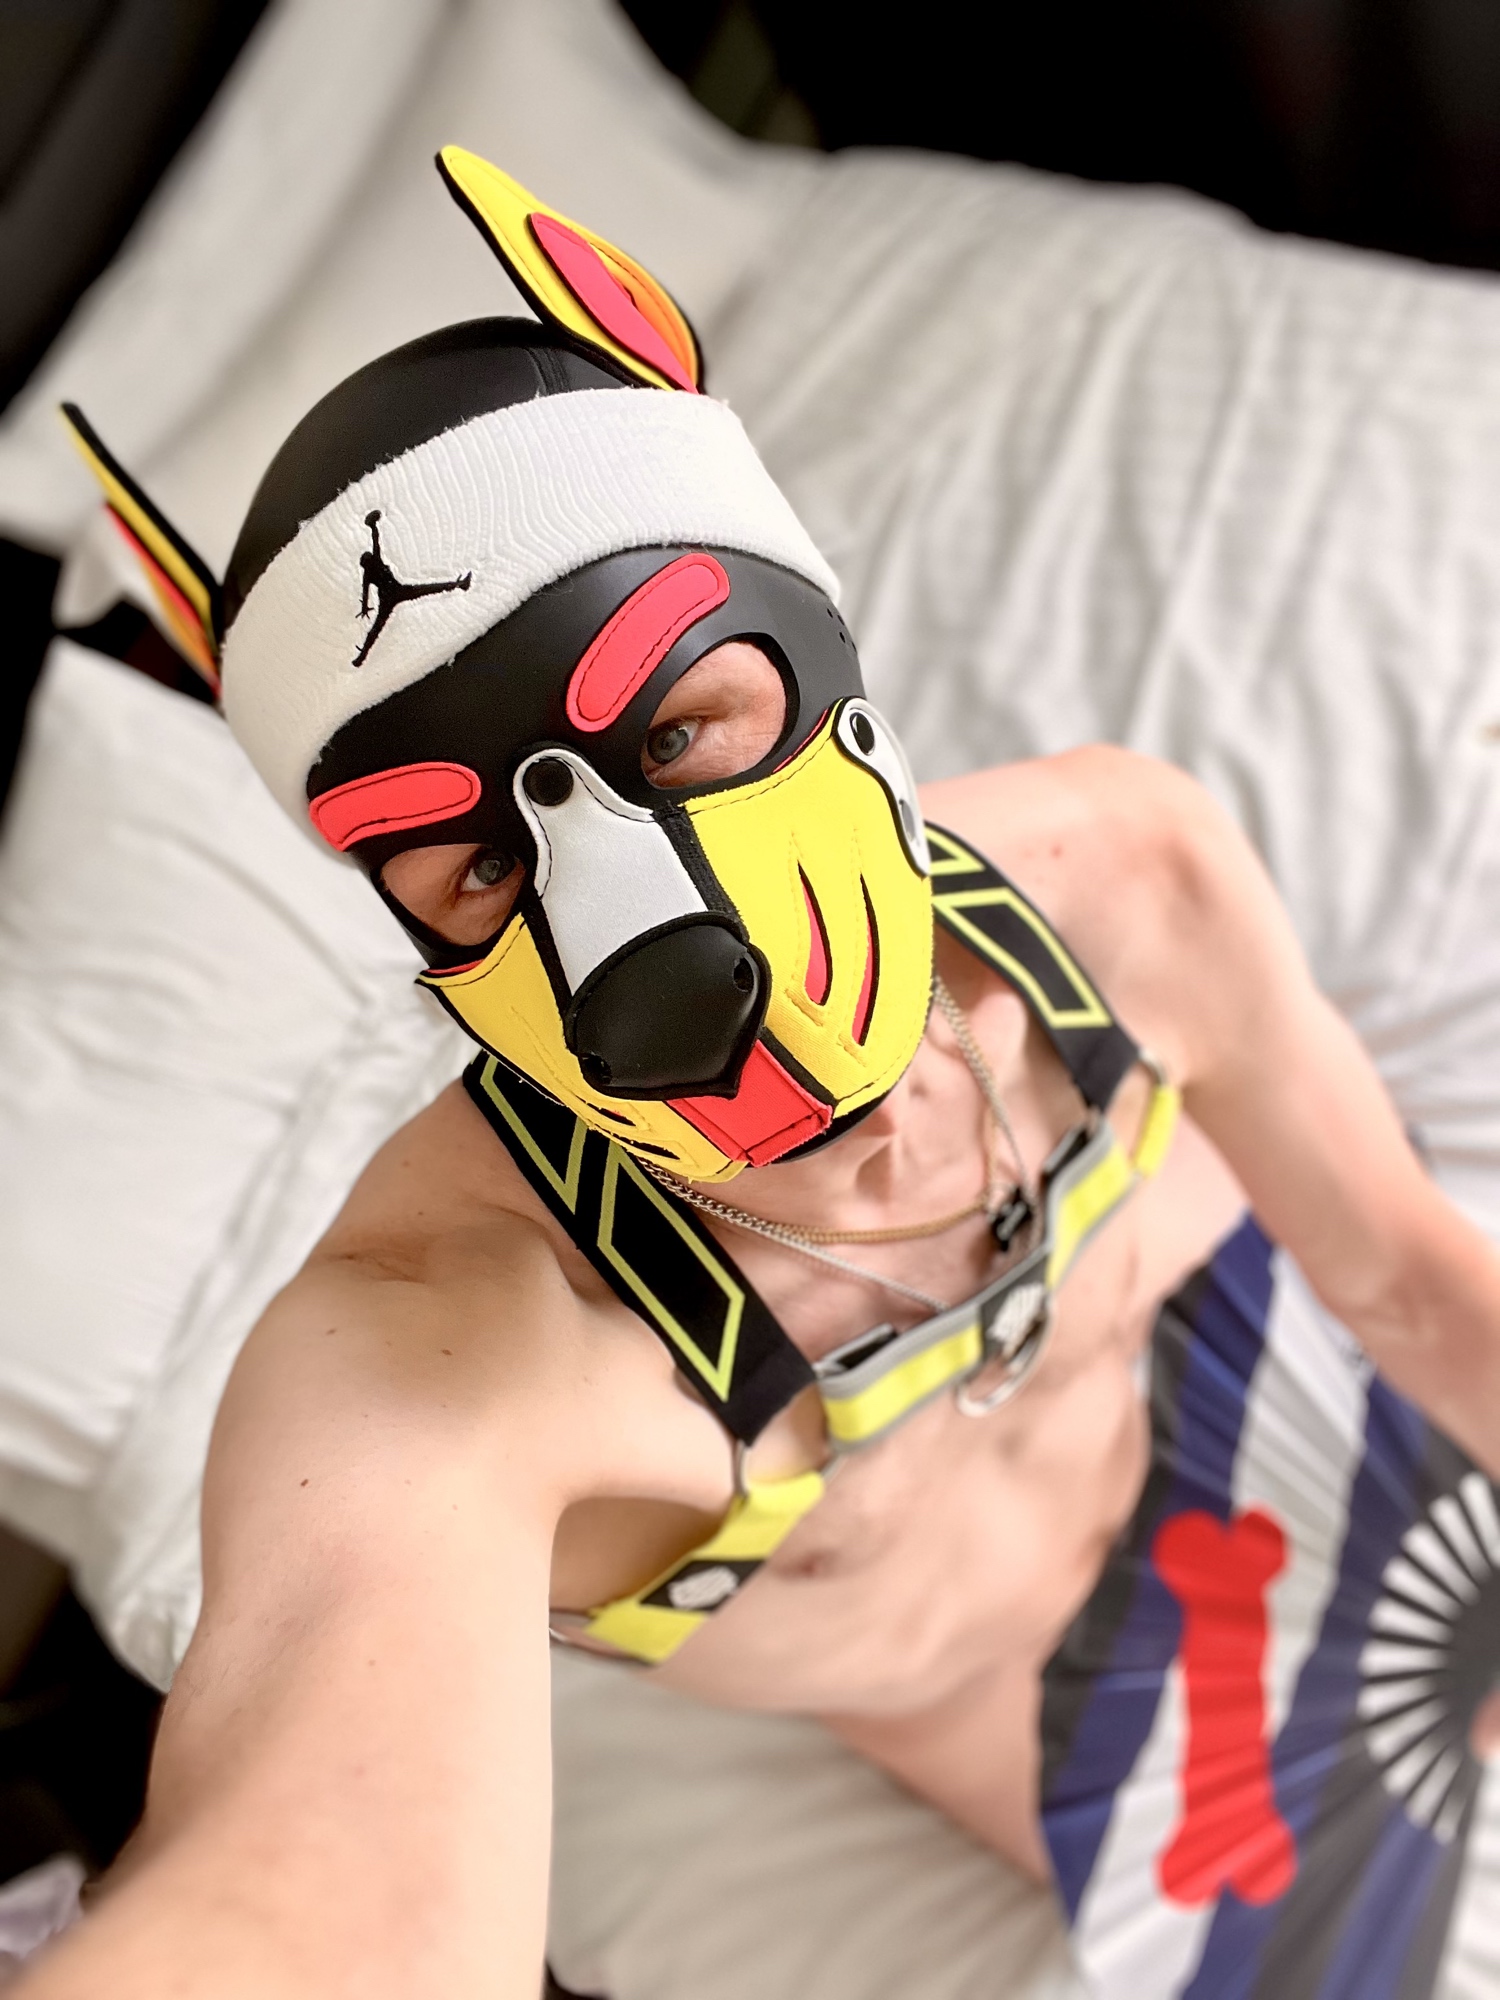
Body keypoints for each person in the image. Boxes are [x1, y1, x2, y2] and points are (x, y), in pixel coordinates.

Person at [19, 149, 1500, 2000]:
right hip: (1084, 1736)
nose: (653, 940)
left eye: (678, 731)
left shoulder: (1120, 888)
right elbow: (330, 1896)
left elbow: (1402, 1272)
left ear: (825, 655)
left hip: (1319, 1406)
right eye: (475, 866)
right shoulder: (452, 1352)